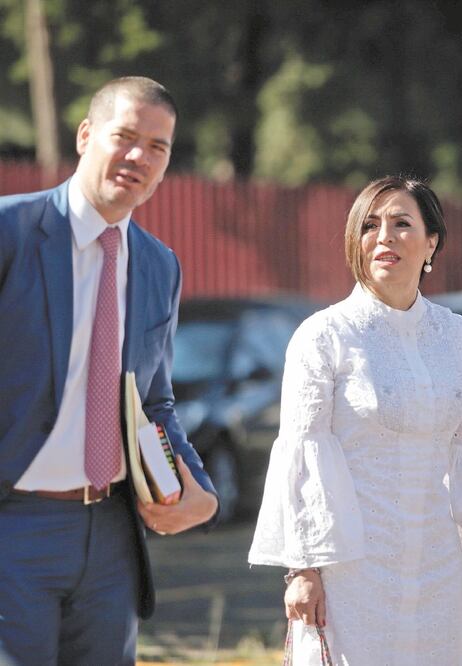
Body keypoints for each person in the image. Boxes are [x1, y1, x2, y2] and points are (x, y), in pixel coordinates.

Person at [248, 175, 462, 664]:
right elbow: (302, 459)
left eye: (401, 223)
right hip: (351, 568)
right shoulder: (323, 335)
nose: (384, 237)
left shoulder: (457, 335)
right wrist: (304, 571)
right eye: (370, 225)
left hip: (438, 564)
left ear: (431, 242)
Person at [0, 76, 218, 665]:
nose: (138, 157)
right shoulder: (9, 233)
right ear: (85, 135)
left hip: (112, 539)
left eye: (158, 147)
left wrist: (194, 487)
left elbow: (153, 402)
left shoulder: (158, 265)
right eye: (125, 137)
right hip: (13, 525)